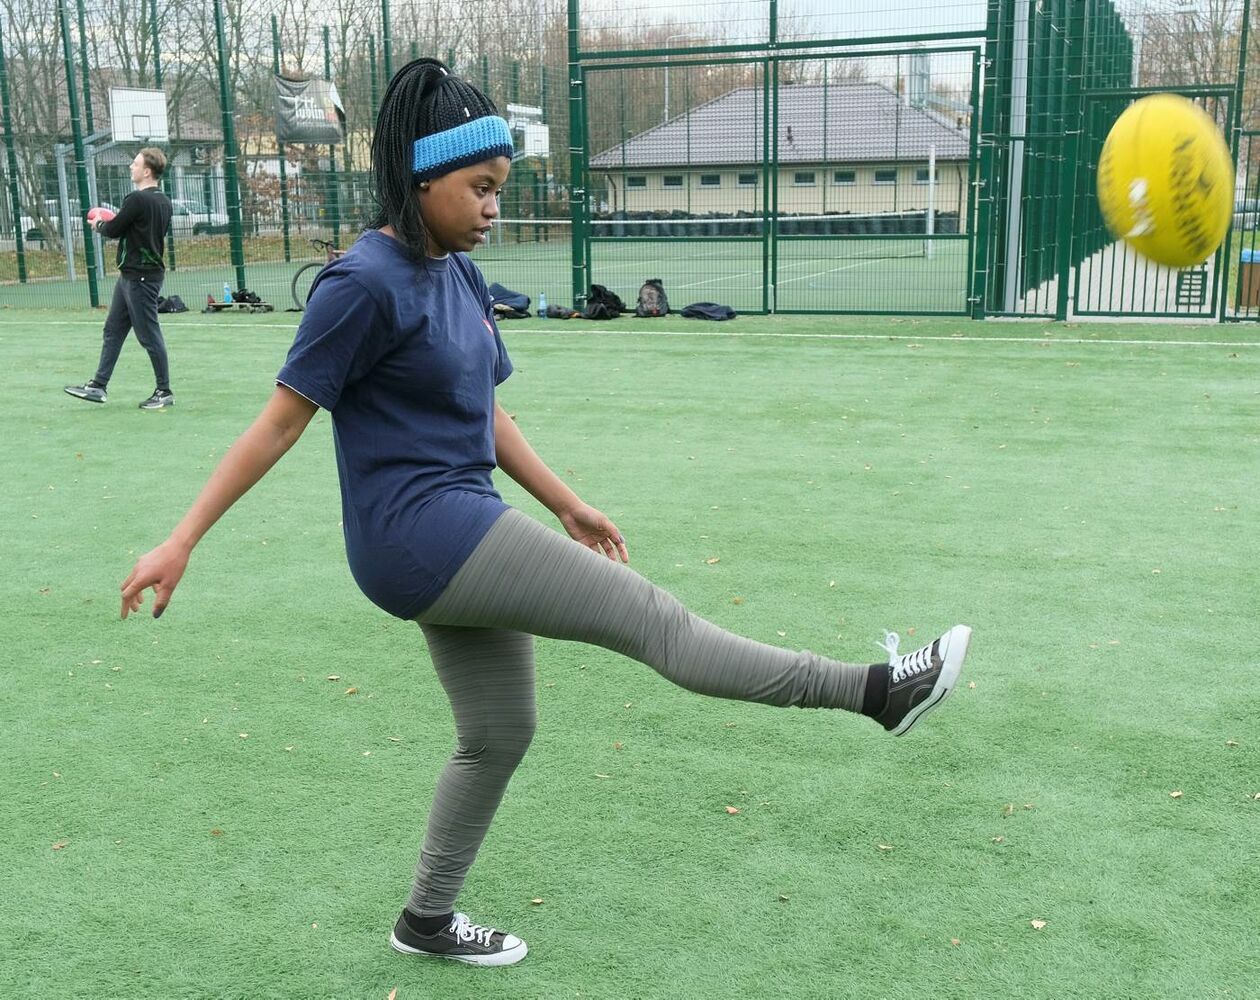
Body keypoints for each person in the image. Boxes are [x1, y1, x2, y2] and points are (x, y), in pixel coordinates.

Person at [118, 60, 971, 969]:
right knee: (651, 618)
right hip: (420, 534)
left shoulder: (457, 276)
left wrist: (566, 502)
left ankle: (426, 922)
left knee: (498, 733)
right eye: (480, 188)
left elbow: (487, 410)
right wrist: (182, 538)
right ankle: (876, 694)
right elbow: (278, 425)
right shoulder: (358, 282)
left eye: (499, 189)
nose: (493, 207)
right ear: (421, 180)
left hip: (458, 519)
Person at [64, 147, 175, 410]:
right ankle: (98, 386)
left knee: (149, 334)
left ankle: (164, 391)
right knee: (113, 330)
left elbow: (114, 229)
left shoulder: (137, 200)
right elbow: (136, 230)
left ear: (147, 171)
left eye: (135, 164)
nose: (130, 167)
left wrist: (98, 224)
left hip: (141, 278)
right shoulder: (164, 201)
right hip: (132, 276)